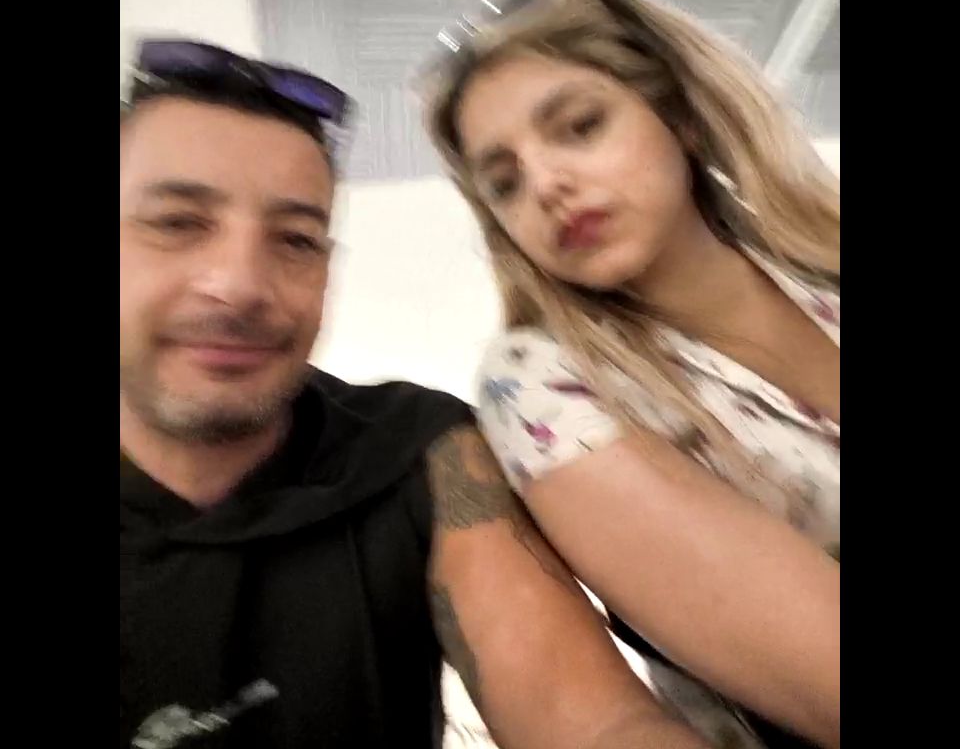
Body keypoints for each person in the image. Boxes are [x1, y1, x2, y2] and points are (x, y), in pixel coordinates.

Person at [119, 39, 710, 749]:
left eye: (296, 240)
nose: (241, 285)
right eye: (177, 224)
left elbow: (591, 720)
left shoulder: (418, 450)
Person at [424, 0, 840, 749]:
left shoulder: (824, 264)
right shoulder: (542, 385)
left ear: (679, 117)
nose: (546, 184)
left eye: (579, 126)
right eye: (504, 183)